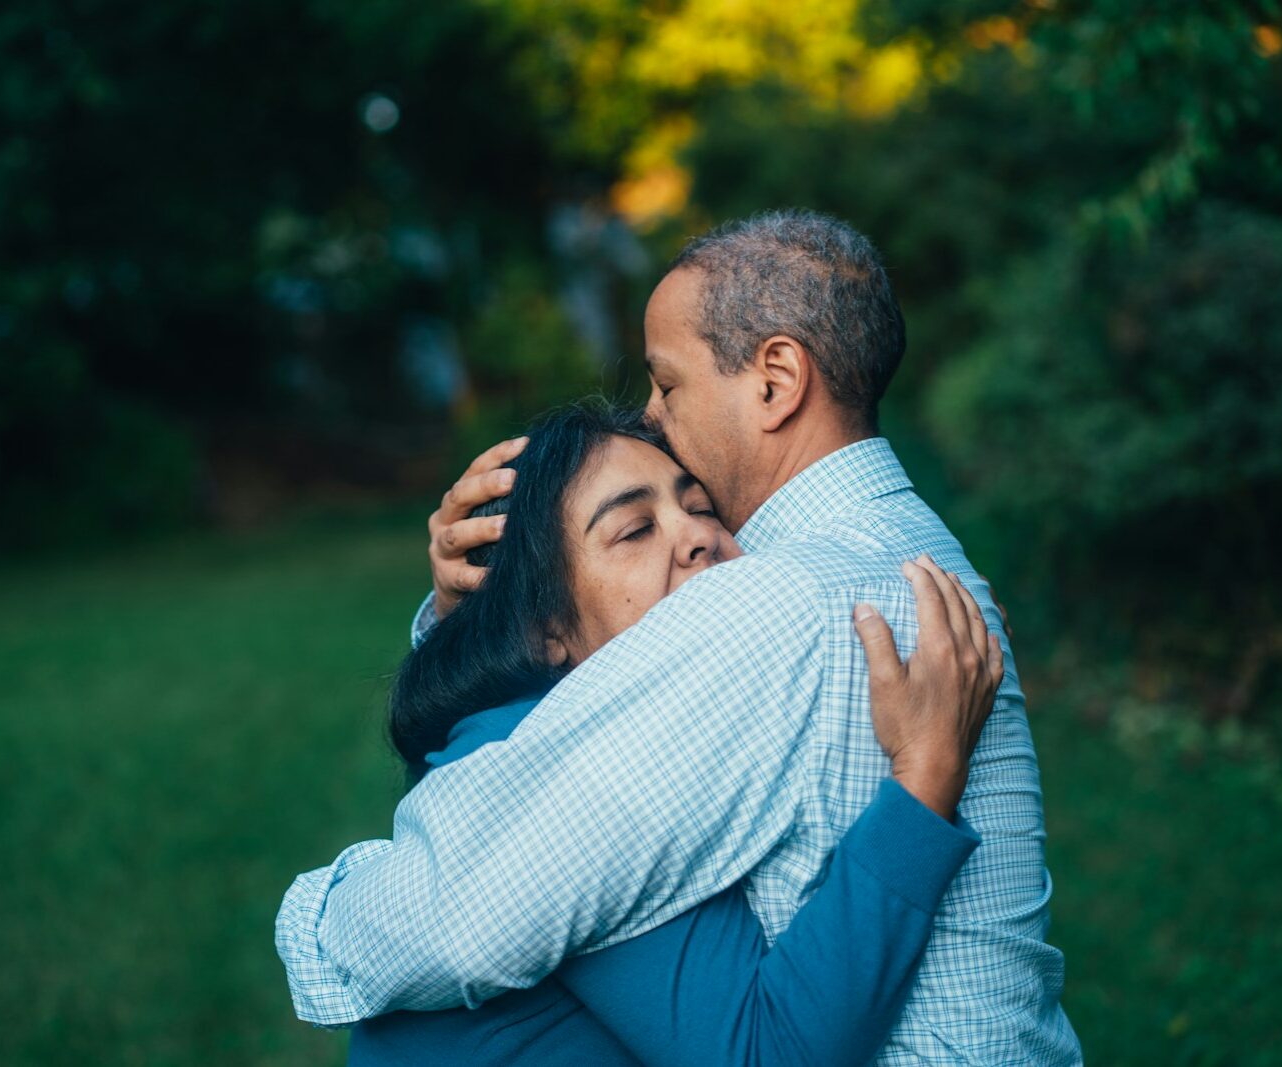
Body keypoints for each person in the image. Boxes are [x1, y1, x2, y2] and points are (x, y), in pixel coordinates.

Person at [277, 210, 1082, 1063]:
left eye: (667, 384)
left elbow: (461, 913)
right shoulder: (911, 552)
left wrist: (319, 917)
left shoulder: (774, 599)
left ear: (775, 379)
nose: (654, 418)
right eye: (634, 527)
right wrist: (475, 608)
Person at [347, 402, 998, 1064]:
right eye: (633, 530)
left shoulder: (561, 719)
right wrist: (925, 775)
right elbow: (765, 1050)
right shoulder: (576, 781)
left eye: (702, 507)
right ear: (544, 628)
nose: (696, 535)